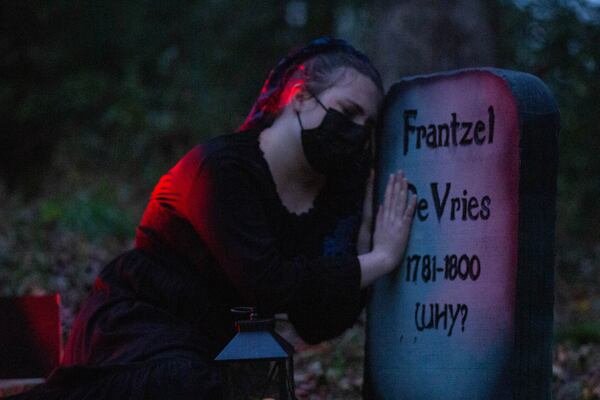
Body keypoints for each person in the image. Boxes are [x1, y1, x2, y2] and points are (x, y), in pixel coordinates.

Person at [9, 37, 416, 399]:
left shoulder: (336, 188)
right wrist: (378, 260)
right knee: (189, 384)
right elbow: (267, 283)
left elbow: (315, 323)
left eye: (369, 124)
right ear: (301, 96)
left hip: (222, 348)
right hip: (139, 332)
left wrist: (363, 235)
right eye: (348, 111)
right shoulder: (219, 169)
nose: (358, 132)